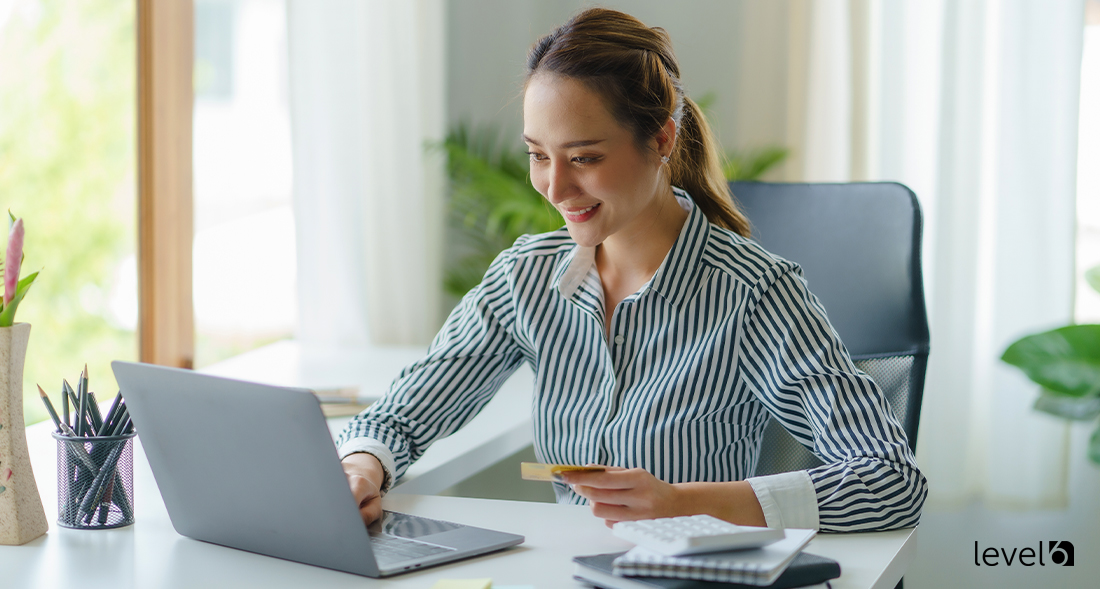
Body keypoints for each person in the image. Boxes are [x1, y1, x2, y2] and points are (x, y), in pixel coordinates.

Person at [338, 7, 927, 533]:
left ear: (662, 138)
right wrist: (362, 467)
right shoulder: (525, 279)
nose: (556, 187)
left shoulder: (752, 293)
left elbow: (889, 481)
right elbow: (402, 416)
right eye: (539, 156)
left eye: (585, 158)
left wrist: (686, 502)